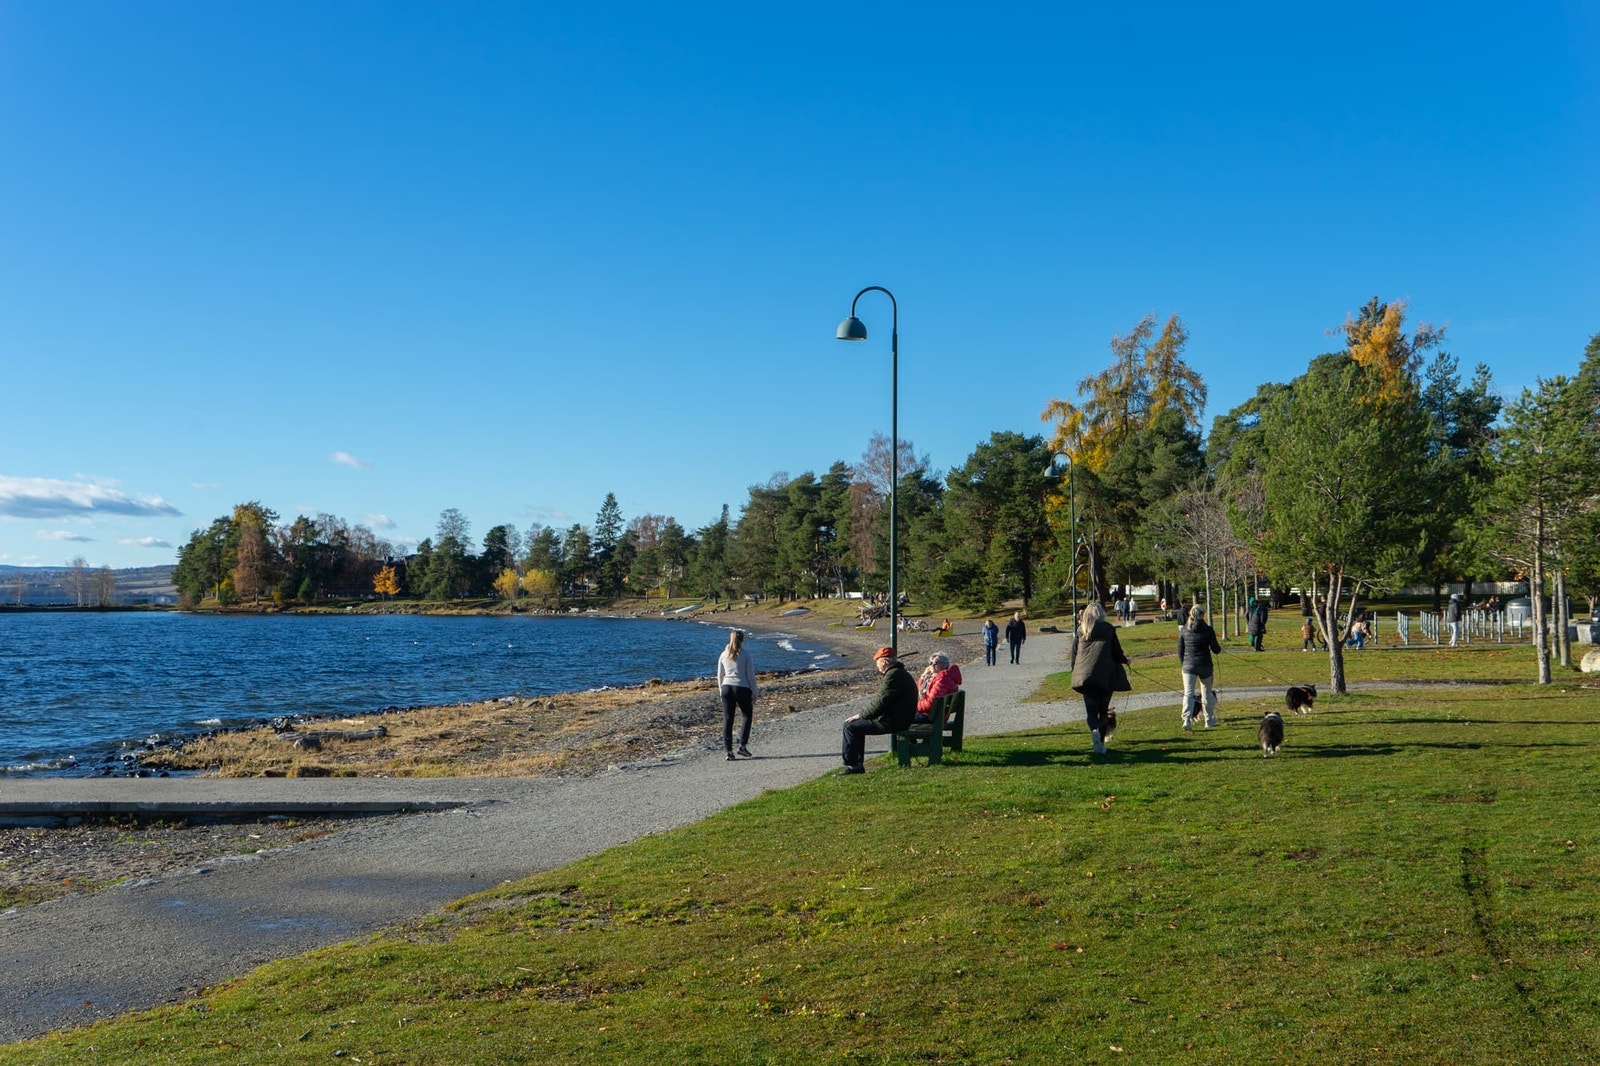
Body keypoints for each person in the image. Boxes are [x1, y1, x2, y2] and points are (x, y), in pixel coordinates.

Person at [839, 646, 918, 774]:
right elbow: (883, 701)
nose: (876, 664)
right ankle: (856, 764)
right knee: (855, 725)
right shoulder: (899, 673)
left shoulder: (893, 676)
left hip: (893, 722)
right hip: (902, 718)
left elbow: (881, 703)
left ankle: (854, 766)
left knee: (850, 726)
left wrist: (861, 715)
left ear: (884, 661)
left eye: (877, 661)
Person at [1072, 602, 1130, 754]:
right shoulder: (1108, 629)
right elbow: (1116, 651)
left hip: (1085, 676)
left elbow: (1074, 654)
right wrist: (1125, 660)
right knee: (1103, 711)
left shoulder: (1081, 630)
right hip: (1105, 676)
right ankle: (1101, 744)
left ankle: (1094, 731)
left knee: (1091, 712)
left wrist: (1075, 672)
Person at [1176, 604, 1222, 730]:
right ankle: (1209, 720)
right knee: (1206, 692)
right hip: (1205, 665)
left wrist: (1184, 663)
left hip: (1188, 666)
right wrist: (1219, 648)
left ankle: (1187, 720)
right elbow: (1216, 649)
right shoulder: (1208, 629)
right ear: (1202, 614)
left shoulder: (1184, 630)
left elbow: (1180, 650)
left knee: (1188, 693)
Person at [715, 630, 757, 760]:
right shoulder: (745, 655)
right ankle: (742, 746)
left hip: (727, 687)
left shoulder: (723, 654)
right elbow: (750, 675)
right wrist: (755, 692)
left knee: (728, 719)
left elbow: (720, 675)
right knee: (746, 716)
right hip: (742, 688)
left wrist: (721, 690)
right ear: (742, 640)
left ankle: (729, 751)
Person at [915, 652, 963, 720]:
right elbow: (919, 692)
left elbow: (930, 703)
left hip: (933, 717)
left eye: (934, 663)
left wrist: (913, 707)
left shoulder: (942, 680)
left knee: (898, 715)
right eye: (930, 662)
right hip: (934, 714)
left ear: (943, 665)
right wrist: (923, 676)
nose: (931, 665)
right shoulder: (943, 677)